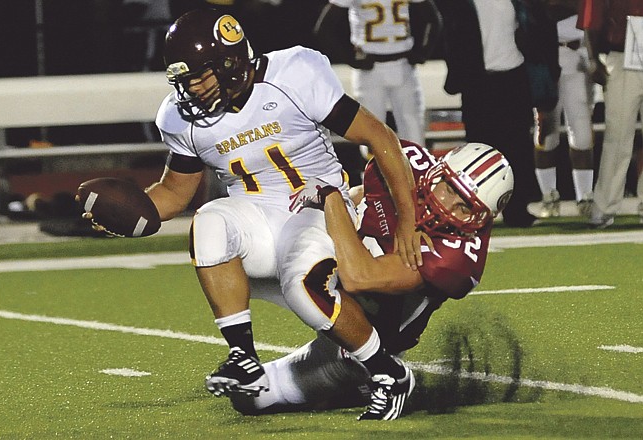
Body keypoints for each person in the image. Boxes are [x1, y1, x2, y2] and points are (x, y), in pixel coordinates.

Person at [146, 8, 424, 421]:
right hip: (257, 220)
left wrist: (408, 217)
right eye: (184, 79)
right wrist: (131, 214)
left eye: (199, 75)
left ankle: (387, 372)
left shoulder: (294, 73)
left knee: (302, 284)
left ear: (230, 62)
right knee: (208, 222)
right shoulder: (181, 118)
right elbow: (173, 192)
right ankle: (243, 357)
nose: (192, 89)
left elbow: (378, 136)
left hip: (320, 206)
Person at [227, 141, 514, 415]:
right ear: (437, 171)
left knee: (248, 397)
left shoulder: (454, 259)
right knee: (233, 263)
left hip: (360, 342)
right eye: (450, 189)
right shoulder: (407, 163)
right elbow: (362, 196)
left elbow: (358, 278)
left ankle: (369, 382)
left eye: (465, 207)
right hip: (334, 278)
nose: (448, 207)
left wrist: (330, 200)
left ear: (480, 219)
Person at [435, 0, 559, 227]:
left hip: (513, 77)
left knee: (517, 149)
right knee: (478, 152)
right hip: (477, 81)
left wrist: (543, 65)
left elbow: (539, 26)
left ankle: (517, 209)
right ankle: (477, 209)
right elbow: (449, 32)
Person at [313, 0, 442, 150]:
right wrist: (350, 58)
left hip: (401, 66)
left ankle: (415, 171)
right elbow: (324, 28)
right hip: (371, 70)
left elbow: (433, 19)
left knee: (413, 129)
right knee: (371, 131)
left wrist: (422, 53)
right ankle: (373, 173)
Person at [578, 0, 643, 228]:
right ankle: (605, 207)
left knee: (619, 138)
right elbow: (590, 21)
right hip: (623, 56)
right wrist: (594, 60)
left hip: (628, 54)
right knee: (618, 138)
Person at [534, 2, 595, 218]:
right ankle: (549, 195)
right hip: (547, 55)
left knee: (582, 132)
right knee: (545, 130)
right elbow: (546, 9)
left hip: (579, 52)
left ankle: (585, 196)